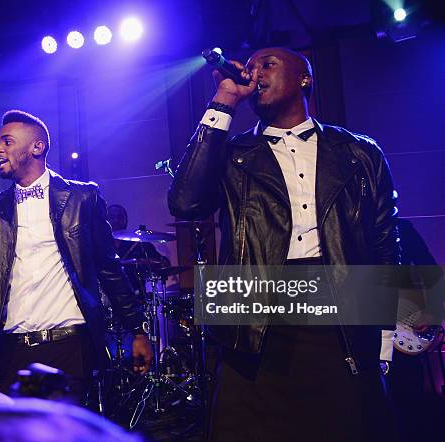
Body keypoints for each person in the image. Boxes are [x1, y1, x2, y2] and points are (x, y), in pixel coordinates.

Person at [168, 47, 399, 441]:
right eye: (252, 67)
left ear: (304, 78)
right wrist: (224, 100)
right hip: (252, 313)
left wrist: (385, 333)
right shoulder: (232, 153)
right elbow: (185, 202)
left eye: (268, 65)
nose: (255, 73)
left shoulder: (359, 152)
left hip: (336, 308)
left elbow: (383, 243)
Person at [0, 110, 153, 397]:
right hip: (11, 348)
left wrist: (137, 330)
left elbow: (109, 268)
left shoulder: (82, 198)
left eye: (7, 141)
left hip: (69, 345)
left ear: (37, 147)